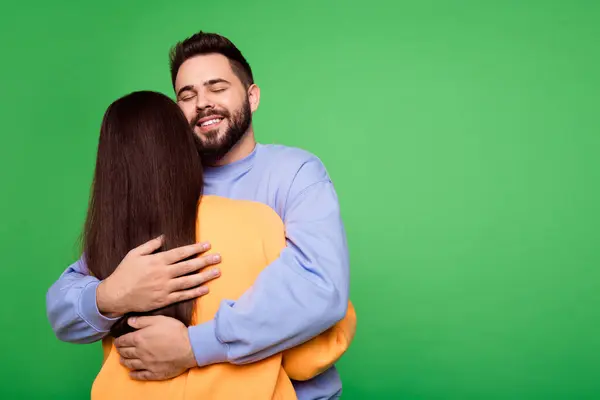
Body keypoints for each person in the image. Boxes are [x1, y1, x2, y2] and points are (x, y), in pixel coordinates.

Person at [46, 31, 352, 399]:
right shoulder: (160, 189)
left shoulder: (295, 172)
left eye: (217, 87)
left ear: (252, 97)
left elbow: (319, 288)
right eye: (187, 95)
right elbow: (65, 304)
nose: (202, 103)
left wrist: (193, 347)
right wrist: (111, 296)